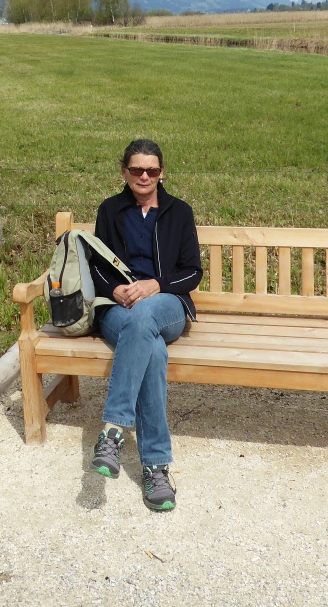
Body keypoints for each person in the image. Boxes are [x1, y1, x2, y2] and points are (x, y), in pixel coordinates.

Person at [87, 138, 202, 511]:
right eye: (136, 169)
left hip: (166, 305)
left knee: (146, 318)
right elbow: (96, 269)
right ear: (124, 172)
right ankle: (155, 467)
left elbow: (192, 273)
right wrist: (116, 289)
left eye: (151, 170)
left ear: (162, 173)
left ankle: (113, 430)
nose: (144, 176)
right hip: (119, 308)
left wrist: (157, 285)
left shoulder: (179, 212)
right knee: (150, 348)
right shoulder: (110, 211)